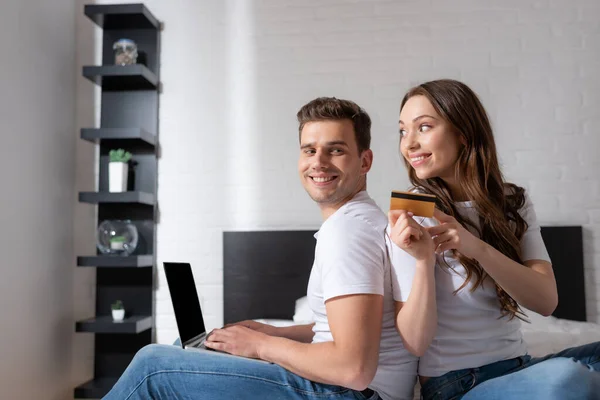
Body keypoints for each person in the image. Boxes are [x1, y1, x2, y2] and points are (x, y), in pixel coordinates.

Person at [102, 97, 424, 400]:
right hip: (357, 389)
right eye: (309, 150)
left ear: (364, 161)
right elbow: (344, 326)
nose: (319, 162)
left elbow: (352, 369)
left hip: (351, 393)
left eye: (335, 150)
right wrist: (272, 332)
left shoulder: (347, 233)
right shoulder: (361, 220)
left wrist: (260, 345)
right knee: (183, 349)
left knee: (152, 366)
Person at [387, 79, 600, 400]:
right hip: (455, 385)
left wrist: (475, 246)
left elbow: (545, 302)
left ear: (463, 132)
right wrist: (422, 259)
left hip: (520, 368)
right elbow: (415, 341)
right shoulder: (412, 209)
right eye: (403, 131)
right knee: (567, 377)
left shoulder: (511, 201)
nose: (409, 143)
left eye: (424, 127)